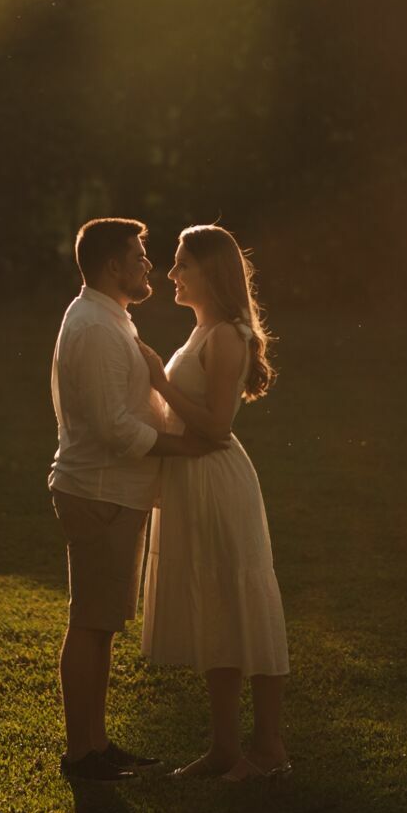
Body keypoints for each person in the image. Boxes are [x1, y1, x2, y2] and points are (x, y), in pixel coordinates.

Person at [49, 216, 221, 783]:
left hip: (112, 491)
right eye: (139, 256)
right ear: (112, 266)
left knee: (100, 624)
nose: (149, 265)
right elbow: (112, 427)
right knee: (90, 623)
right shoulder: (96, 328)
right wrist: (183, 447)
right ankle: (81, 754)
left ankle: (96, 745)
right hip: (99, 491)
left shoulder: (107, 318)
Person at [139, 224, 290, 781]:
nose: (171, 273)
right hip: (191, 478)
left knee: (243, 601)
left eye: (183, 264)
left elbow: (218, 426)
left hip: (218, 480)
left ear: (212, 271)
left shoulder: (226, 335)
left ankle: (269, 749)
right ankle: (224, 748)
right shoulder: (202, 330)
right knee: (215, 609)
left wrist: (160, 382)